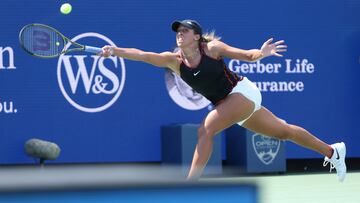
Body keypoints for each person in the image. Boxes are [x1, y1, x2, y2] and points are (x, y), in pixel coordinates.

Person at [100, 19, 347, 182]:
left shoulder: (213, 49)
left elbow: (248, 55)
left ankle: (189, 185)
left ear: (197, 36)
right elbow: (143, 56)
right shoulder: (173, 61)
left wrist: (262, 53)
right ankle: (332, 151)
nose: (180, 34)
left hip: (242, 92)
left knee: (206, 129)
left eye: (185, 31)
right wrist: (115, 51)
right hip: (228, 105)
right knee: (282, 132)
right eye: (178, 32)